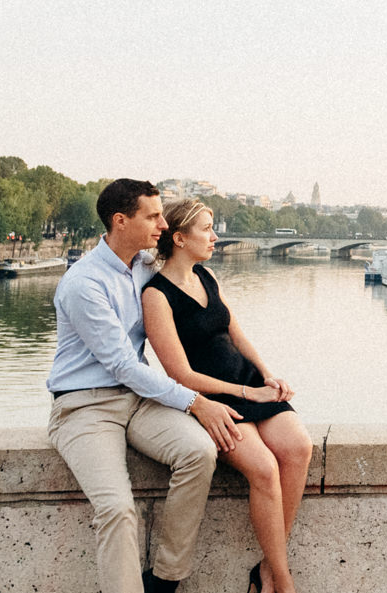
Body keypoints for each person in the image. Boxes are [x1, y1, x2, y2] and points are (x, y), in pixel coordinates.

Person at [46, 179, 245, 593]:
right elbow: (121, 363)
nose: (161, 223)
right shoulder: (84, 283)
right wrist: (196, 401)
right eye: (153, 216)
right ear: (121, 221)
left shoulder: (146, 268)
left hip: (137, 400)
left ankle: (166, 579)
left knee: (199, 452)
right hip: (85, 407)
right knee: (117, 509)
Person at [143, 198, 312, 593]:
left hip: (247, 381)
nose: (216, 236)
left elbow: (237, 335)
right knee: (265, 469)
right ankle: (281, 579)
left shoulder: (207, 277)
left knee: (299, 448)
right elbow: (179, 374)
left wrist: (268, 376)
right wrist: (244, 392)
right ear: (180, 238)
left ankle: (268, 569)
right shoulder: (156, 296)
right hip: (214, 397)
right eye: (207, 228)